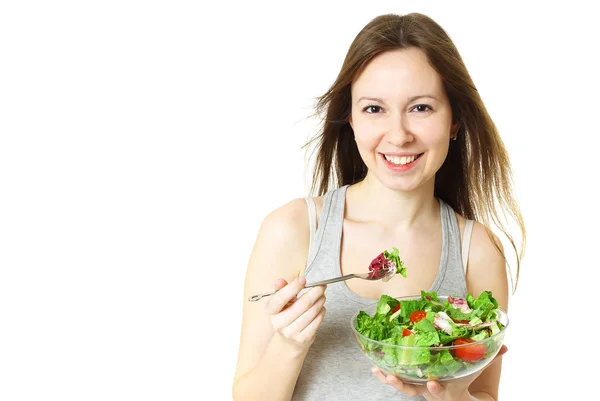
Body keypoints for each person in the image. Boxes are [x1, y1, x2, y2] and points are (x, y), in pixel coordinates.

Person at [232, 12, 525, 401]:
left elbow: (485, 396)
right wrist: (288, 344)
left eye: (421, 108)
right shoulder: (294, 229)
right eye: (374, 109)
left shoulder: (478, 250)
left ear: (454, 121)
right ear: (350, 119)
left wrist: (454, 396)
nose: (399, 135)